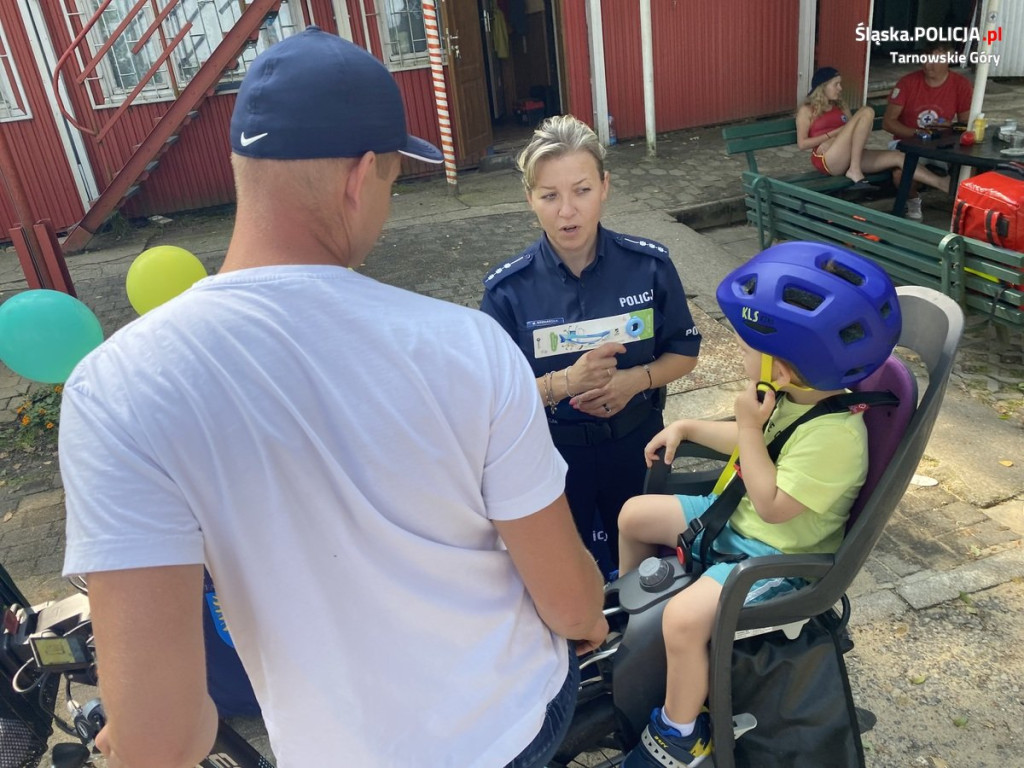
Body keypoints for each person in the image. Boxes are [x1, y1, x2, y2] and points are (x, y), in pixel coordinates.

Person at [59, 27, 608, 768]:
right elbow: (570, 604)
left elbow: (160, 738)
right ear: (361, 176)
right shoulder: (468, 345)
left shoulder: (114, 388)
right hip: (508, 726)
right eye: (392, 181)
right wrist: (588, 619)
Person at [618, 241, 903, 767]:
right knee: (634, 515)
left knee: (683, 619)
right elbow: (761, 446)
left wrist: (749, 427)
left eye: (750, 347)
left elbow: (771, 504)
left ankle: (681, 734)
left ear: (783, 369)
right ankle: (633, 623)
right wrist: (689, 427)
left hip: (774, 557)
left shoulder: (836, 437)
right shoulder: (795, 399)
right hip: (736, 522)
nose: (743, 355)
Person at [480, 115, 702, 575]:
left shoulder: (649, 267)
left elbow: (684, 351)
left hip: (639, 447)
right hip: (552, 460)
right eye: (549, 196)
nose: (567, 211)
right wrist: (564, 383)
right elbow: (490, 402)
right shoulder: (507, 292)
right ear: (529, 199)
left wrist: (635, 380)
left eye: (581, 190)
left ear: (604, 187)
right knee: (565, 577)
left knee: (650, 575)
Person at [796, 66, 949, 205]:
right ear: (822, 87)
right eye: (836, 84)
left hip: (851, 156)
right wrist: (832, 135)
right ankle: (855, 170)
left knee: (899, 157)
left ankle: (942, 183)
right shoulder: (807, 110)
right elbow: (802, 144)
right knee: (866, 111)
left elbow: (855, 133)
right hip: (828, 159)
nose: (840, 88)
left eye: (840, 84)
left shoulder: (841, 106)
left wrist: (837, 138)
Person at [883, 41, 973, 220]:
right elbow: (888, 123)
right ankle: (913, 201)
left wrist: (950, 126)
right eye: (925, 58)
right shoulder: (907, 83)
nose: (928, 64)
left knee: (973, 167)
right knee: (901, 175)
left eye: (935, 60)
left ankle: (969, 209)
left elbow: (966, 124)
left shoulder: (961, 84)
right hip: (908, 143)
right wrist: (918, 133)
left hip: (942, 144)